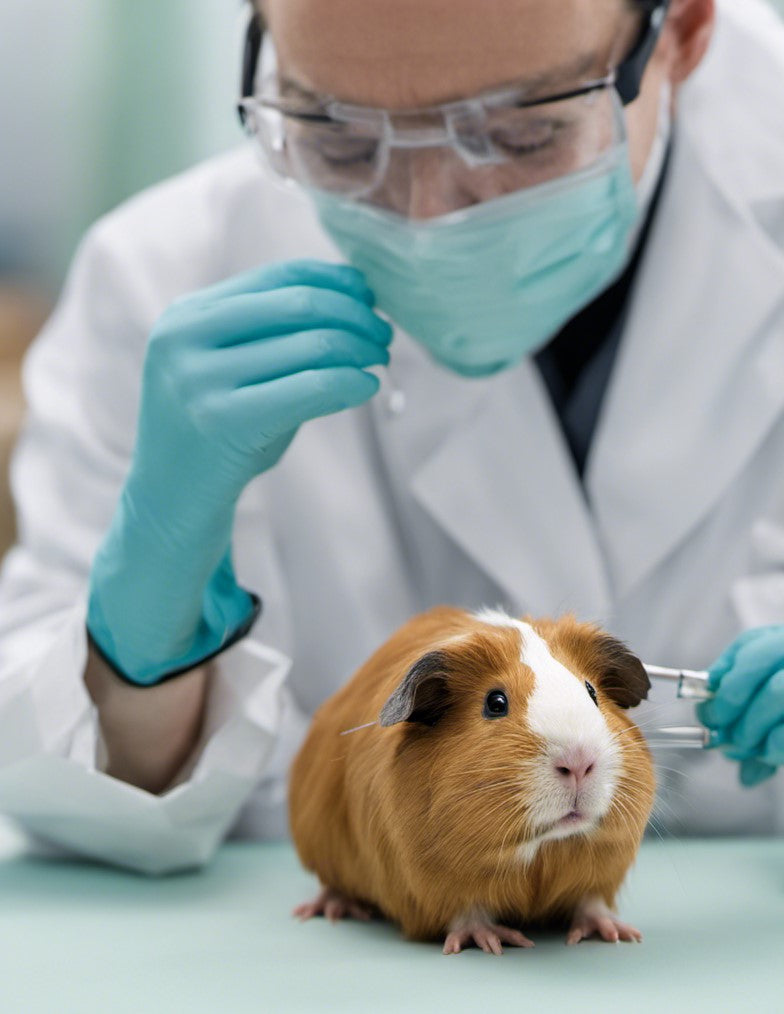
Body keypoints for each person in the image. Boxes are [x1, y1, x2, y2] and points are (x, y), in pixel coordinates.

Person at [0, 0, 782, 875]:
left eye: (522, 136)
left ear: (679, 35)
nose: (426, 218)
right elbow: (71, 801)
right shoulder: (166, 270)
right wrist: (143, 619)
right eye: (339, 137)